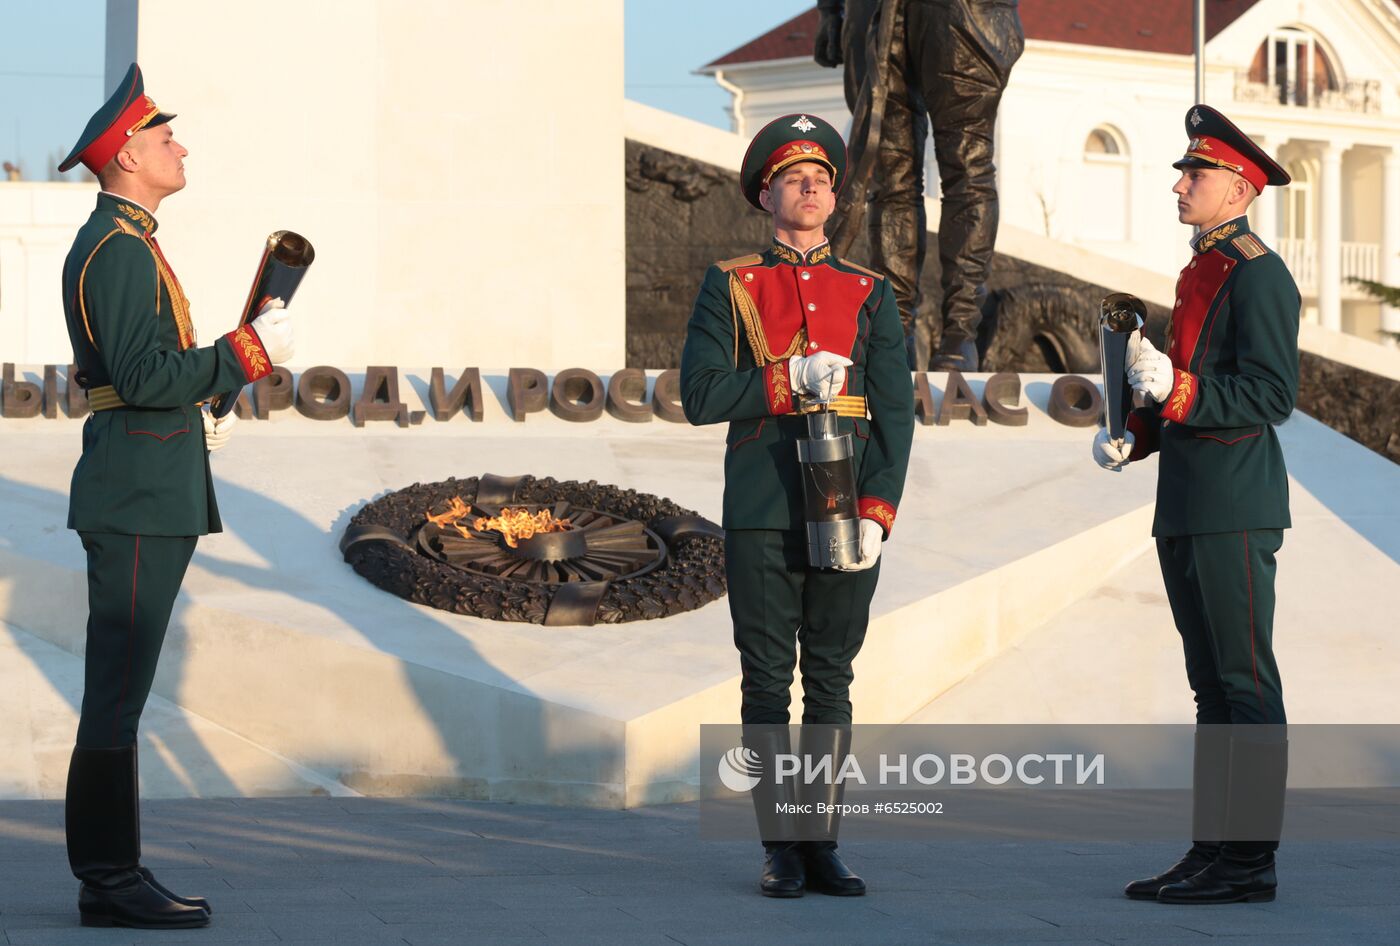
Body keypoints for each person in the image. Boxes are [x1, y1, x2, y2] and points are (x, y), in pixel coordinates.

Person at [56, 63, 296, 929]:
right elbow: (144, 374)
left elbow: (152, 379)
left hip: (151, 480)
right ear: (126, 156)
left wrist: (213, 392)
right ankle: (108, 876)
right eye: (163, 137)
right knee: (116, 690)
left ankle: (110, 872)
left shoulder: (133, 242)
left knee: (123, 686)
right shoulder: (117, 248)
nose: (180, 145)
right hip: (134, 491)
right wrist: (242, 353)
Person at [680, 113, 914, 898]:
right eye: (793, 178)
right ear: (766, 194)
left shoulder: (870, 290)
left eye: (821, 179)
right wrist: (786, 381)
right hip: (764, 502)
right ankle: (779, 845)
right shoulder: (732, 282)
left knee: (833, 677)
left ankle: (822, 841)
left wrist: (879, 509)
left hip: (846, 502)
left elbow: (894, 413)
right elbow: (701, 393)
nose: (809, 188)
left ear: (836, 198)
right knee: (764, 680)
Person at [1093, 104, 1297, 904]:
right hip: (1186, 499)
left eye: (1196, 173)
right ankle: (1214, 849)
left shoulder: (1259, 273)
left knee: (1244, 684)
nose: (1180, 184)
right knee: (1211, 687)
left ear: (1239, 190)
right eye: (1184, 170)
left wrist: (1173, 390)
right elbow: (1182, 387)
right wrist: (1135, 431)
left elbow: (1271, 394)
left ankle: (1250, 861)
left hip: (1234, 499)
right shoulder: (1200, 269)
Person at [814, 0, 1024, 370]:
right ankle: (895, 334)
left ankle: (961, 333)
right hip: (872, 11)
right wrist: (830, 10)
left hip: (963, 10)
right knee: (890, 177)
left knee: (967, 167)